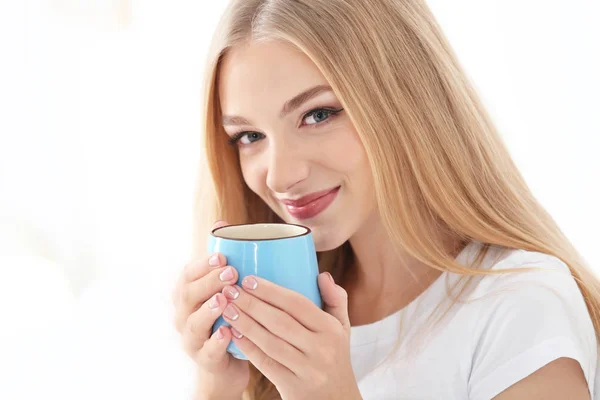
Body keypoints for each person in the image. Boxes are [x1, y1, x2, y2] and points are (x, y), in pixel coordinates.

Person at [171, 0, 600, 399]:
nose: (280, 175)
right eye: (249, 136)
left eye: (317, 115)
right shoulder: (290, 313)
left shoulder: (522, 308)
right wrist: (218, 387)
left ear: (403, 100)